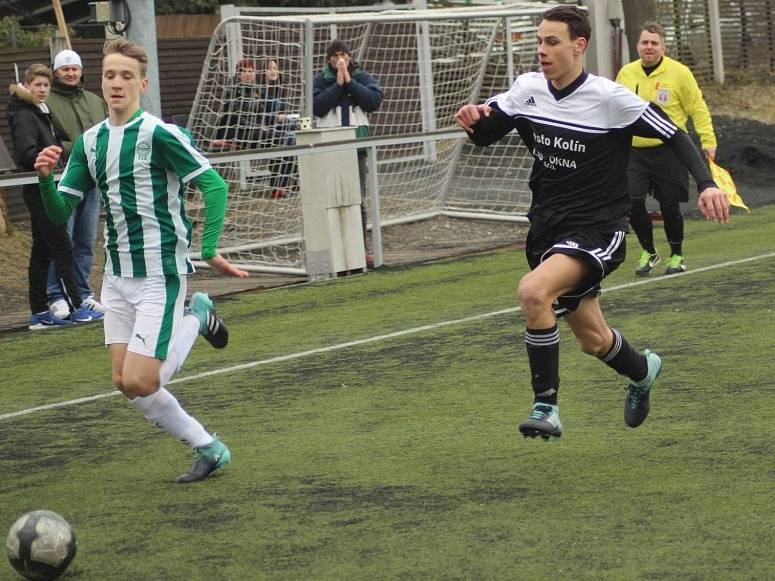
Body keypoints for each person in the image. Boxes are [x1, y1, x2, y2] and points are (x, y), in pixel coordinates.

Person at [454, 5, 729, 439]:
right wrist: (472, 120)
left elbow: (674, 133)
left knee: (533, 293)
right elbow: (487, 133)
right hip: (546, 228)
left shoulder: (609, 97)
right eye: (540, 41)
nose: (542, 50)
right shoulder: (527, 88)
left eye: (552, 41)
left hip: (598, 229)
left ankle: (546, 407)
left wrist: (707, 184)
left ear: (579, 45)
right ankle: (642, 371)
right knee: (593, 340)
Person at [34, 39, 250, 482]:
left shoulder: (159, 134)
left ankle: (196, 318)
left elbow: (215, 186)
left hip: (160, 273)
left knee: (142, 380)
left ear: (142, 84)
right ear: (102, 81)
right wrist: (44, 181)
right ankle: (209, 447)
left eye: (126, 76)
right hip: (116, 277)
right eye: (110, 75)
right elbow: (60, 212)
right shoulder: (90, 144)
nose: (117, 83)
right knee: (123, 381)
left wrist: (207, 250)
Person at [7, 64, 104, 330]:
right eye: (37, 85)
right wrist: (50, 155)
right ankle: (75, 305)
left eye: (46, 85)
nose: (42, 89)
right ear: (27, 85)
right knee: (61, 246)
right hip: (40, 189)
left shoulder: (39, 111)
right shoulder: (25, 115)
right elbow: (27, 155)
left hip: (45, 186)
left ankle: (39, 312)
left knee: (43, 250)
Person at [616, 22, 717, 276]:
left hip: (669, 150)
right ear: (637, 46)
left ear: (663, 47)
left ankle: (677, 254)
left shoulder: (679, 73)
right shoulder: (626, 74)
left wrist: (708, 140)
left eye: (654, 43)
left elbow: (697, 107)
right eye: (644, 42)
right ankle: (649, 252)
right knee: (632, 201)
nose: (649, 47)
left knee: (670, 207)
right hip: (634, 151)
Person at [45, 49, 109, 318]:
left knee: (85, 240)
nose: (71, 73)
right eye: (65, 68)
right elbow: (53, 140)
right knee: (63, 239)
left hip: (92, 181)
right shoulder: (47, 101)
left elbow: (106, 132)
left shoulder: (95, 100)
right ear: (56, 71)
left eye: (75, 68)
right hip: (65, 179)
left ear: (81, 70)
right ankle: (56, 294)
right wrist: (81, 149)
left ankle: (81, 293)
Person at [313, 39, 384, 267]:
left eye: (343, 54)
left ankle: (359, 251)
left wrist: (349, 82)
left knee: (357, 199)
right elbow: (317, 106)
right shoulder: (321, 80)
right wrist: (338, 85)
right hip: (329, 144)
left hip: (356, 145)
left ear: (350, 56)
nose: (339, 59)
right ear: (328, 59)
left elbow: (374, 100)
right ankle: (334, 252)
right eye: (334, 55)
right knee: (330, 199)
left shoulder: (361, 76)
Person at [213, 58, 297, 198]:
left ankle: (283, 186)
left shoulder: (256, 91)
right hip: (236, 131)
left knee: (287, 139)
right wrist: (260, 128)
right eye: (244, 71)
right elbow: (236, 118)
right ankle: (280, 186)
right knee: (279, 138)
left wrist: (262, 126)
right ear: (238, 74)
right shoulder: (234, 91)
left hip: (253, 130)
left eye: (251, 71)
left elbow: (260, 114)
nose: (248, 74)